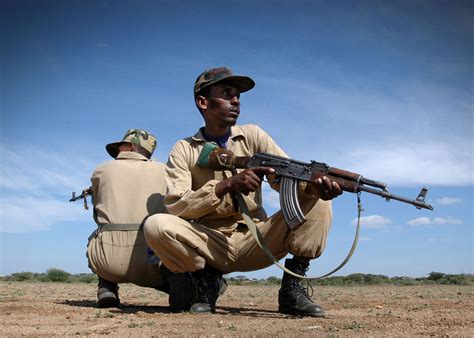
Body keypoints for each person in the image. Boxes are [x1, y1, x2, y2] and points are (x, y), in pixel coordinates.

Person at [144, 67, 342, 316]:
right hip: (209, 244)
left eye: (237, 95)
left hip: (256, 239)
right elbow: (177, 205)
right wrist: (223, 186)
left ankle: (292, 289)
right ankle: (204, 283)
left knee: (317, 199)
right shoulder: (184, 149)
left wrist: (314, 186)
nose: (236, 100)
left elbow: (285, 177)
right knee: (156, 225)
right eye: (227, 93)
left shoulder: (253, 135)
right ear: (203, 102)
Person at [87, 129, 168, 308]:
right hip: (153, 261)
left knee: (97, 235)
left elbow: (98, 211)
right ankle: (183, 289)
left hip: (107, 261)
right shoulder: (166, 171)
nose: (117, 152)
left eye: (120, 147)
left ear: (130, 146)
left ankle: (106, 287)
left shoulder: (102, 169)